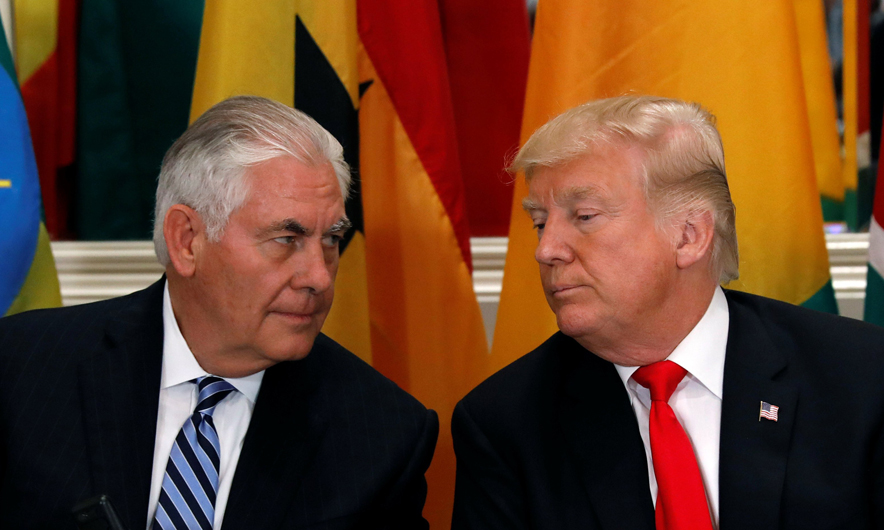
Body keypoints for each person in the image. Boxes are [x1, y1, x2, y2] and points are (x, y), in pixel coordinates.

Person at [0, 95, 438, 530]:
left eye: (331, 240)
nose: (319, 278)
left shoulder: (382, 435)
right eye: (286, 239)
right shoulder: (21, 369)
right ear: (187, 240)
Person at [451, 95, 884, 530]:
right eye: (540, 223)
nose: (546, 250)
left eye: (584, 216)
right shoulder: (505, 422)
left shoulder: (863, 378)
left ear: (688, 235)